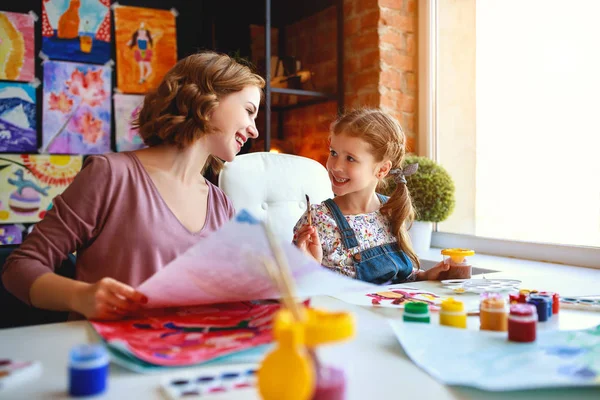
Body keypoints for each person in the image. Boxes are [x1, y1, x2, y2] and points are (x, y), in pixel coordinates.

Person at [1, 51, 264, 320]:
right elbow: (19, 268)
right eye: (249, 111)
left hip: (189, 356)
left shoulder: (222, 205)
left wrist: (301, 265)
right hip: (106, 355)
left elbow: (235, 295)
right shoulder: (111, 175)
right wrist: (80, 296)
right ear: (208, 99)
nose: (255, 130)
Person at [293, 108, 450, 284]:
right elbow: (292, 289)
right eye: (333, 153)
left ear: (382, 169)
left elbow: (400, 277)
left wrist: (424, 276)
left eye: (350, 159)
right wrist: (308, 267)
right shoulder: (316, 220)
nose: (336, 166)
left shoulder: (390, 210)